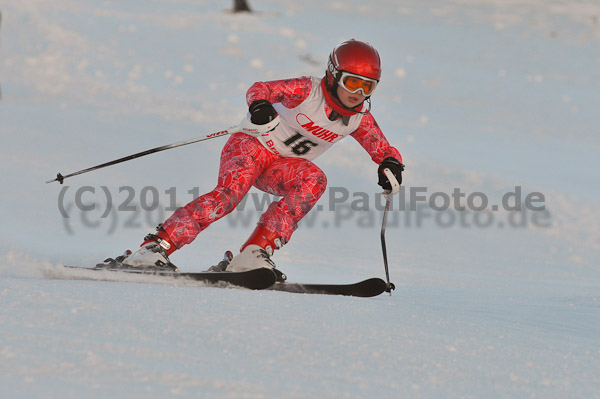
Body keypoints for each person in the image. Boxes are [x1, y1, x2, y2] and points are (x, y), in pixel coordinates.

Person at [116, 39, 404, 273]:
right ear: (333, 74)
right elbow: (261, 88)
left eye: (368, 86)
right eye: (352, 82)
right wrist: (260, 106)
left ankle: (253, 254)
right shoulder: (307, 90)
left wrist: (389, 165)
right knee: (229, 196)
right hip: (251, 147)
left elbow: (381, 147)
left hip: (279, 167)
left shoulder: (359, 118)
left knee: (314, 179)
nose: (358, 93)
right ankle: (154, 248)